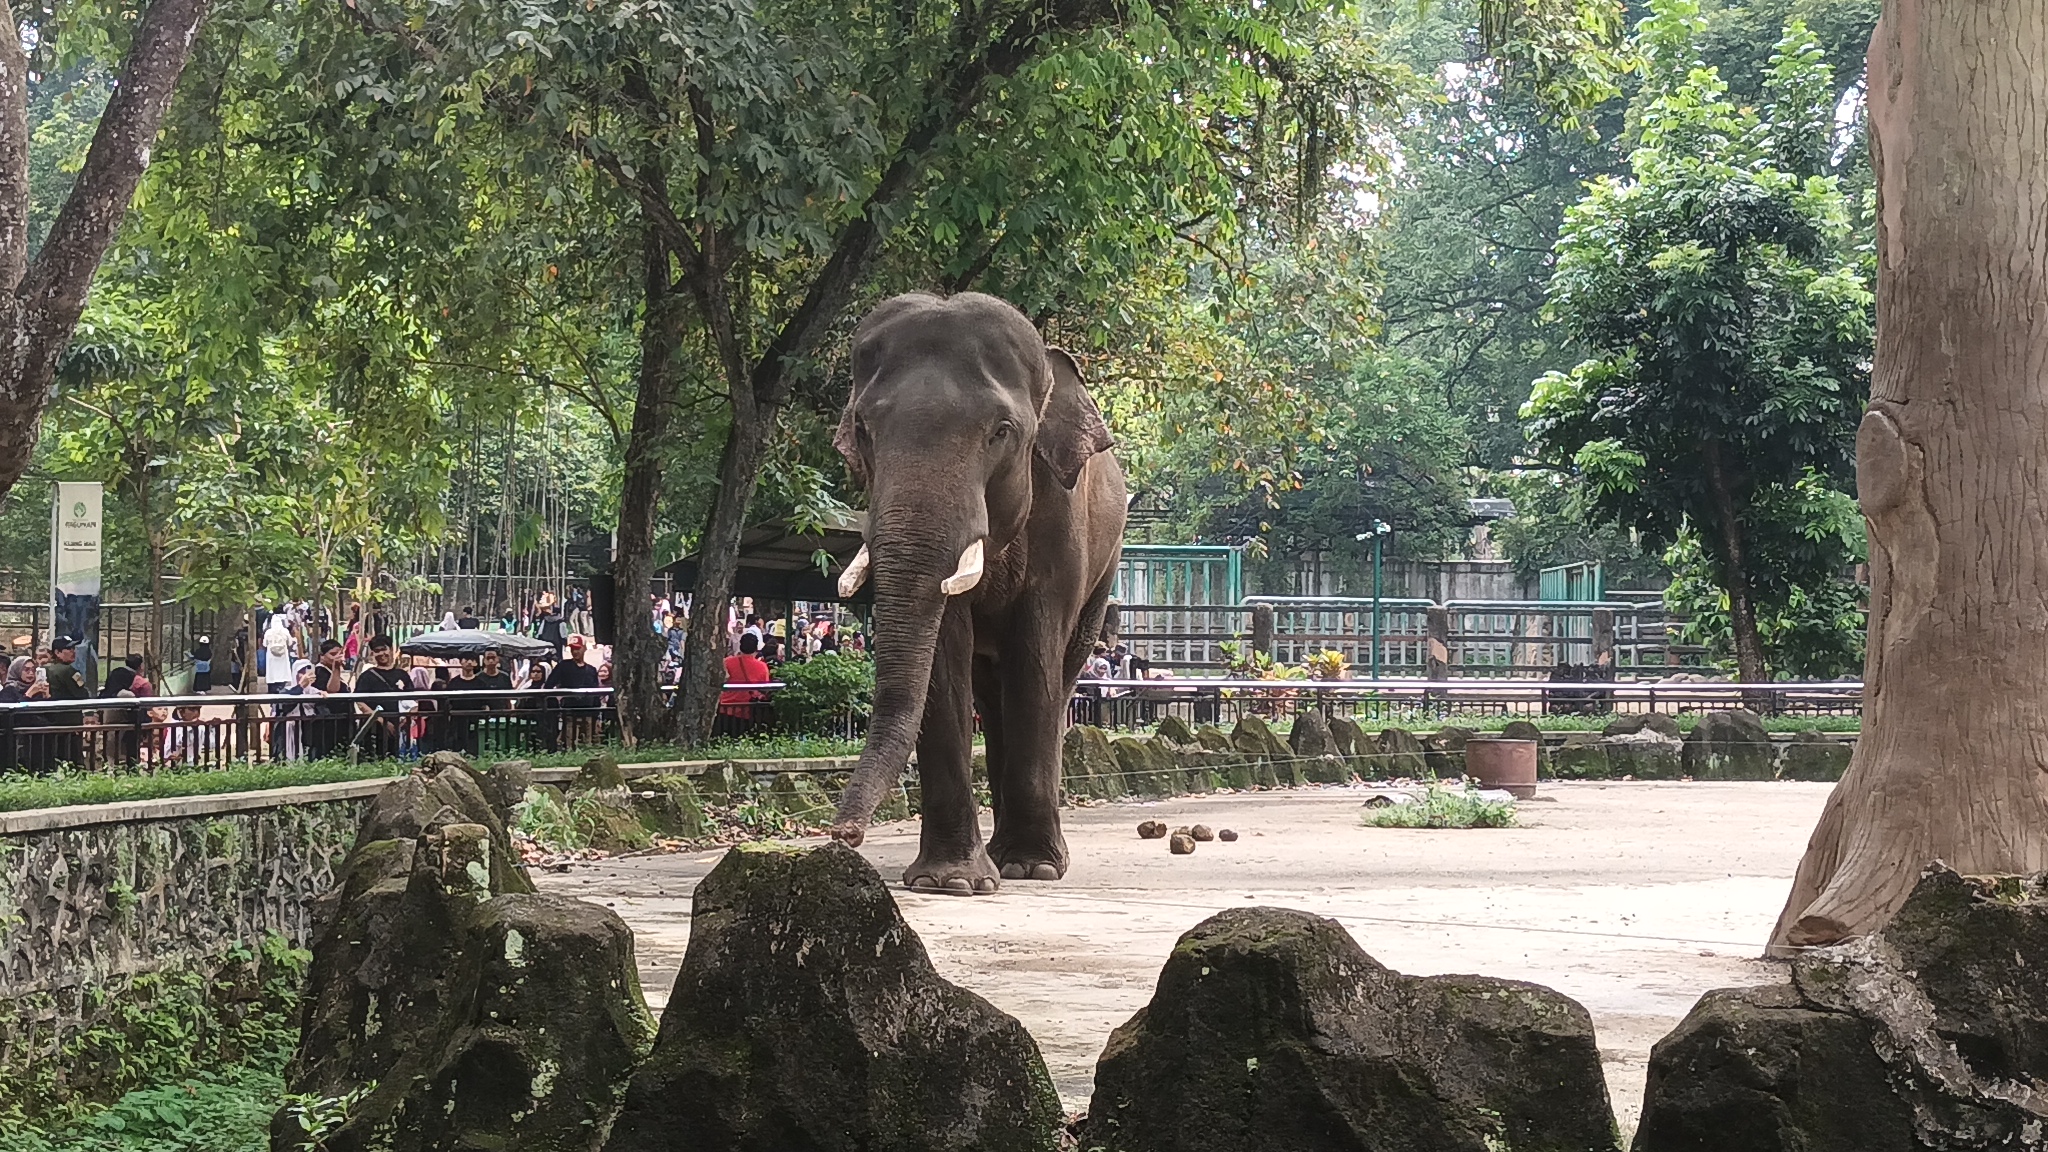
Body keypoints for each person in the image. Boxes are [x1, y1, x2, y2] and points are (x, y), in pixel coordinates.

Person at [352, 635, 414, 760]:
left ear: (391, 649)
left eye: (384, 649)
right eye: (377, 651)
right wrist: (381, 721)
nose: (381, 654)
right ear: (372, 653)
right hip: (373, 728)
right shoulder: (367, 676)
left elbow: (412, 699)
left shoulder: (402, 674)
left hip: (399, 728)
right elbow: (360, 701)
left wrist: (405, 720)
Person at [544, 636, 601, 748]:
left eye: (578, 648)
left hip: (588, 710)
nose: (575, 652)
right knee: (570, 738)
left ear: (584, 648)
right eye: (573, 649)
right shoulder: (563, 666)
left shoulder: (591, 670)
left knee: (588, 739)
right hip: (570, 709)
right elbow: (549, 685)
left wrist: (597, 714)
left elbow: (596, 692)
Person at [0, 655, 51, 773]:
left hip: (39, 742)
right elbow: (16, 714)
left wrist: (47, 697)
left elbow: (49, 715)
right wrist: (29, 694)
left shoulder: (38, 690)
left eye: (33, 670)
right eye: (26, 670)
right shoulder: (9, 690)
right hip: (17, 744)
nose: (30, 673)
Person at [718, 633, 772, 736]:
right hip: (747, 711)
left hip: (725, 709)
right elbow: (764, 689)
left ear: (740, 645)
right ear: (756, 647)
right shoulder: (762, 667)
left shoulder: (727, 662)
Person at [308, 639, 350, 760]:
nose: (337, 657)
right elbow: (332, 690)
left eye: (339, 653)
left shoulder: (330, 671)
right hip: (328, 721)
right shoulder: (319, 672)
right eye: (332, 654)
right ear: (322, 657)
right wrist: (336, 667)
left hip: (340, 719)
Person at [262, 614, 294, 694]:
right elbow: (290, 643)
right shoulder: (285, 631)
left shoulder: (268, 632)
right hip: (283, 656)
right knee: (283, 671)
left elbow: (264, 644)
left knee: (272, 671)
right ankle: (281, 687)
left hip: (271, 657)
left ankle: (272, 688)